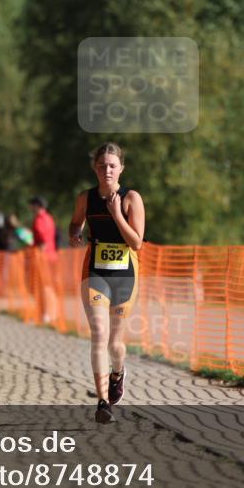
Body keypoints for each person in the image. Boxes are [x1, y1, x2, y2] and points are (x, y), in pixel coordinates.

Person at [68, 142, 145, 424]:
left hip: (125, 274)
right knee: (98, 333)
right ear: (95, 168)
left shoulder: (131, 199)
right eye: (102, 166)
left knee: (115, 343)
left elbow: (136, 242)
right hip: (95, 272)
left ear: (121, 168)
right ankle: (102, 402)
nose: (107, 170)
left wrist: (116, 214)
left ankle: (118, 372)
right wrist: (74, 232)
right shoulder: (85, 198)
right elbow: (75, 222)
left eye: (112, 165)